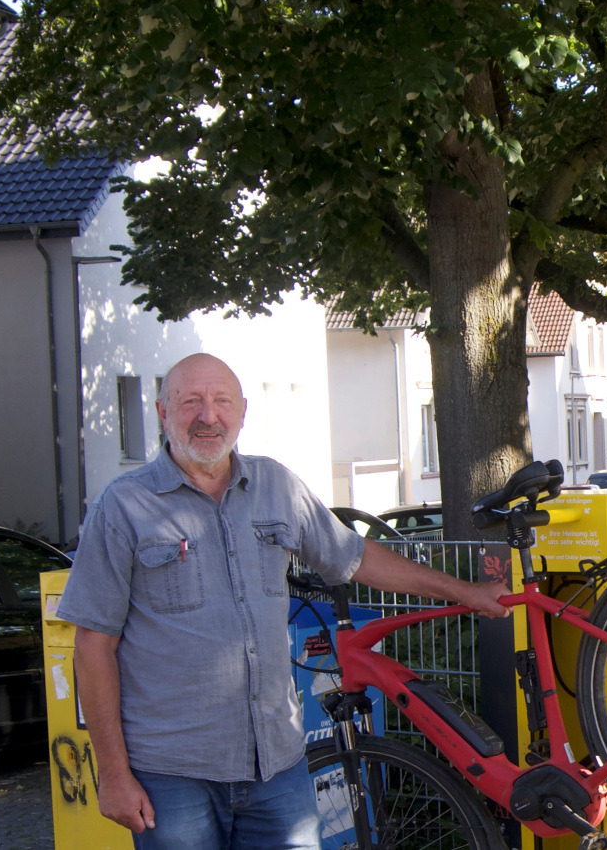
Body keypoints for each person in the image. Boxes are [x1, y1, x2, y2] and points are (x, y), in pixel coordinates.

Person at [56, 353, 514, 849]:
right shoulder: (123, 506)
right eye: (190, 402)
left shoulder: (276, 486)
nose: (208, 415)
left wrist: (467, 592)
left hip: (276, 765)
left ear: (242, 411)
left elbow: (356, 557)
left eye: (221, 401)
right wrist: (113, 773)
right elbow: (93, 646)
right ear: (163, 412)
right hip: (172, 774)